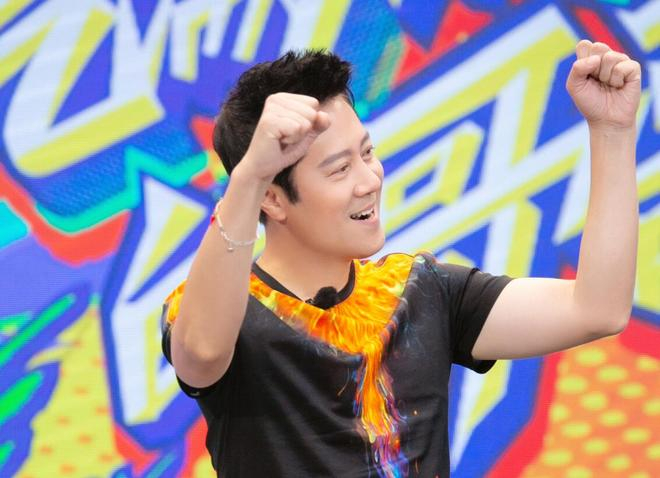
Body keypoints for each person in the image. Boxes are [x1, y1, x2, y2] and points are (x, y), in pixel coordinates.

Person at [161, 39, 640, 477]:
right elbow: (201, 353)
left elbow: (597, 309)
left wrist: (613, 132)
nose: (369, 180)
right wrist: (248, 178)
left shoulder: (419, 290)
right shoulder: (219, 308)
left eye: (367, 153)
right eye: (340, 169)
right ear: (273, 198)